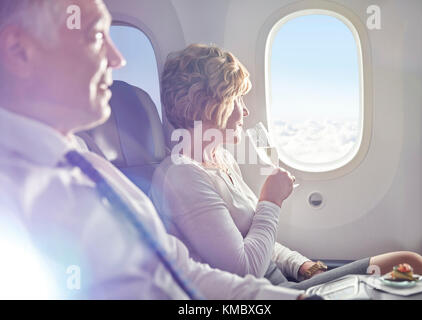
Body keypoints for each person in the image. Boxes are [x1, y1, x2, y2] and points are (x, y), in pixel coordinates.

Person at [0, 0, 306, 299]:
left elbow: (182, 271)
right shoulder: (13, 192)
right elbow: (239, 268)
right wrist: (270, 202)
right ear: (18, 50)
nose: (117, 58)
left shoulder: (92, 168)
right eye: (95, 36)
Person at [150, 43, 422, 291]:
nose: (246, 110)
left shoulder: (221, 160)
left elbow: (254, 237)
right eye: (236, 98)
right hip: (270, 294)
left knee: (410, 267)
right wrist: (270, 201)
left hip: (289, 283)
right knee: (411, 265)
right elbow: (245, 269)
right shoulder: (182, 176)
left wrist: (301, 265)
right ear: (207, 104)